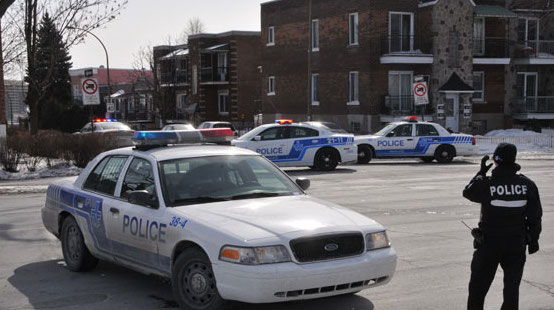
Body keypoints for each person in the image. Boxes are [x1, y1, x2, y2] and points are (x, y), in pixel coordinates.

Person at [463, 143, 542, 310]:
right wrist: (534, 240)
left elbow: (468, 192)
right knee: (512, 291)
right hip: (516, 245)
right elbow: (535, 216)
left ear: (497, 159)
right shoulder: (527, 185)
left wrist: (480, 173)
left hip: (489, 244)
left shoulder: (487, 184)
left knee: (478, 290)